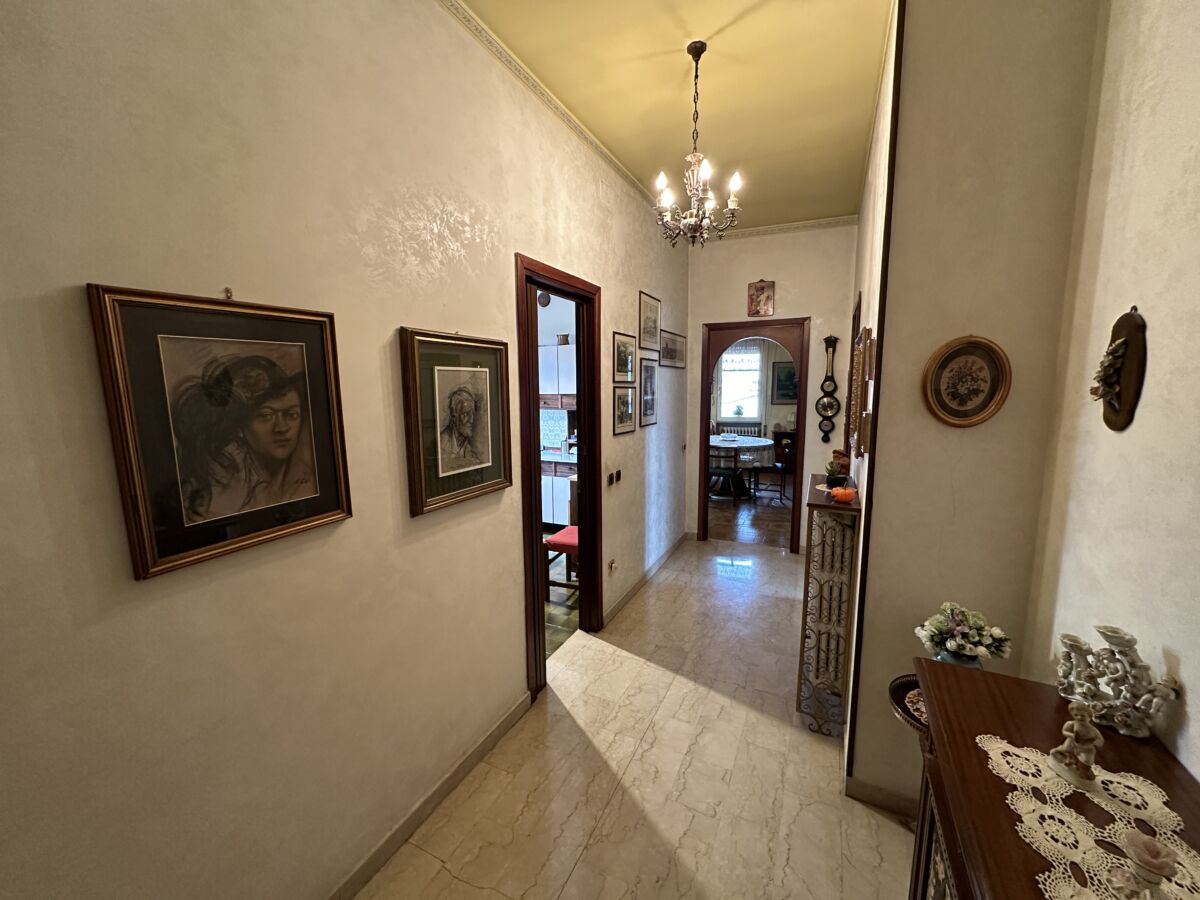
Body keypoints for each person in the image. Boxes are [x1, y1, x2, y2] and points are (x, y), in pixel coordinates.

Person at [169, 354, 316, 523]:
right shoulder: (221, 484)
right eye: (266, 416)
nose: (282, 428)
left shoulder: (306, 473)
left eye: (292, 414)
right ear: (240, 427)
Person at [439, 384, 483, 471]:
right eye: (466, 414)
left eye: (472, 414)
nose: (471, 420)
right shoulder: (441, 445)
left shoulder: (470, 451)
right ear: (453, 416)